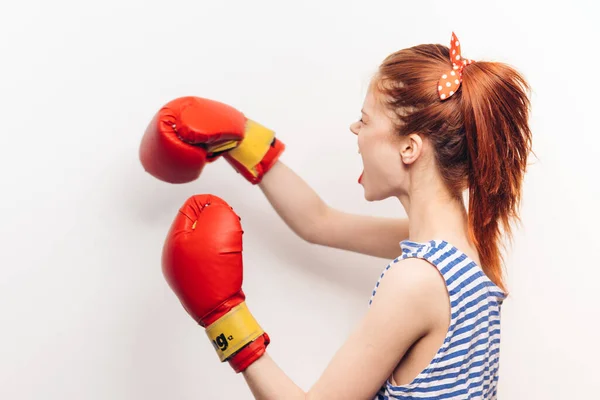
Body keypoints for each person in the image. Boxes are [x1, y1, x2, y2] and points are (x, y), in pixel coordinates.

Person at [140, 32, 532, 399]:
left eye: (365, 120)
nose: (354, 129)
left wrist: (225, 319)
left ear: (410, 148)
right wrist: (244, 141)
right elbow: (320, 222)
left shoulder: (418, 280)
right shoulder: (466, 244)